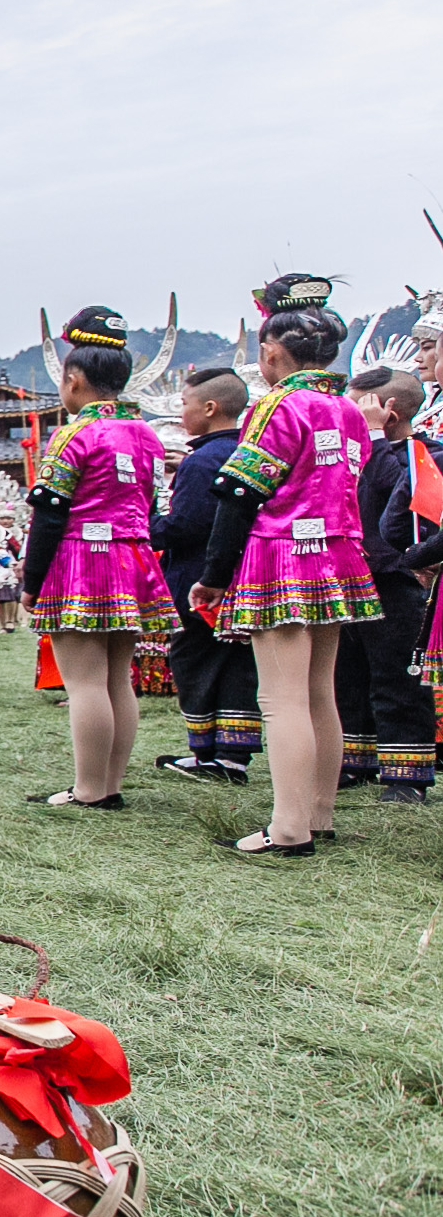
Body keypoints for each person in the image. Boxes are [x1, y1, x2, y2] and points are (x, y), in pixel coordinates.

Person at [189, 276, 377, 855]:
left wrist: (214, 576)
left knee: (283, 698)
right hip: (338, 554)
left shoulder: (280, 404)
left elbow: (241, 493)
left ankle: (288, 829)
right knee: (321, 691)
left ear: (271, 352)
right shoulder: (345, 408)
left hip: (283, 556)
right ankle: (317, 815)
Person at [20, 305, 178, 809]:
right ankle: (110, 784)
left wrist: (32, 580)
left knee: (84, 682)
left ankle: (88, 789)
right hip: (133, 559)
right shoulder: (146, 435)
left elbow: (49, 513)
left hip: (82, 561)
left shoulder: (74, 434)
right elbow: (150, 505)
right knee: (117, 678)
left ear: (74, 377)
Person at [151, 367, 262, 783]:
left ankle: (206, 753)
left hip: (199, 576)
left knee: (194, 659)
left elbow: (186, 526)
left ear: (210, 408)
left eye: (184, 404)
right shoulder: (247, 451)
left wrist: (144, 523)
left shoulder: (203, 461)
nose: (181, 414)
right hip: (243, 575)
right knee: (236, 663)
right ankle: (233, 756)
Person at [332, 365, 433, 801]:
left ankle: (406, 777)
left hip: (395, 580)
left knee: (396, 679)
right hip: (349, 578)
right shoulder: (346, 451)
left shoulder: (426, 453)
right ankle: (356, 761)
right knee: (347, 676)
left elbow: (397, 494)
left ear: (386, 411)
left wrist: (374, 438)